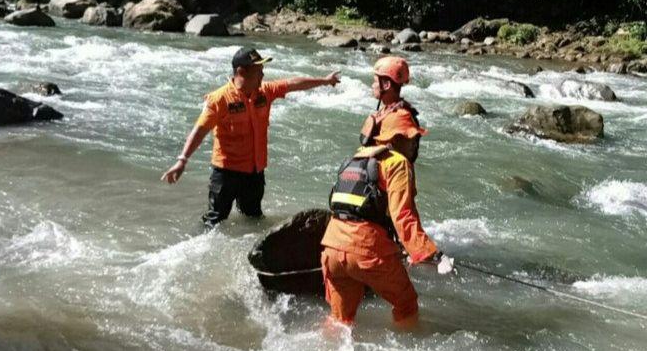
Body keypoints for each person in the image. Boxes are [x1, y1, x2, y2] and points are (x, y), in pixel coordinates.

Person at [320, 57, 451, 327]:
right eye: (413, 137)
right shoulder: (397, 164)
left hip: (331, 248)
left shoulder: (356, 158)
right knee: (406, 303)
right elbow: (403, 217)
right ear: (400, 137)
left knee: (339, 321)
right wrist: (430, 255)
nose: (415, 145)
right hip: (366, 251)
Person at [161, 46, 340, 227]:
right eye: (258, 71)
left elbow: (292, 83)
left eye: (262, 70)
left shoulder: (265, 92)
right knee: (214, 221)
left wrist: (325, 81)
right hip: (226, 173)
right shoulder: (219, 99)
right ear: (241, 72)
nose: (262, 75)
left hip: (254, 173)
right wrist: (182, 160)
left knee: (254, 220)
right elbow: (200, 130)